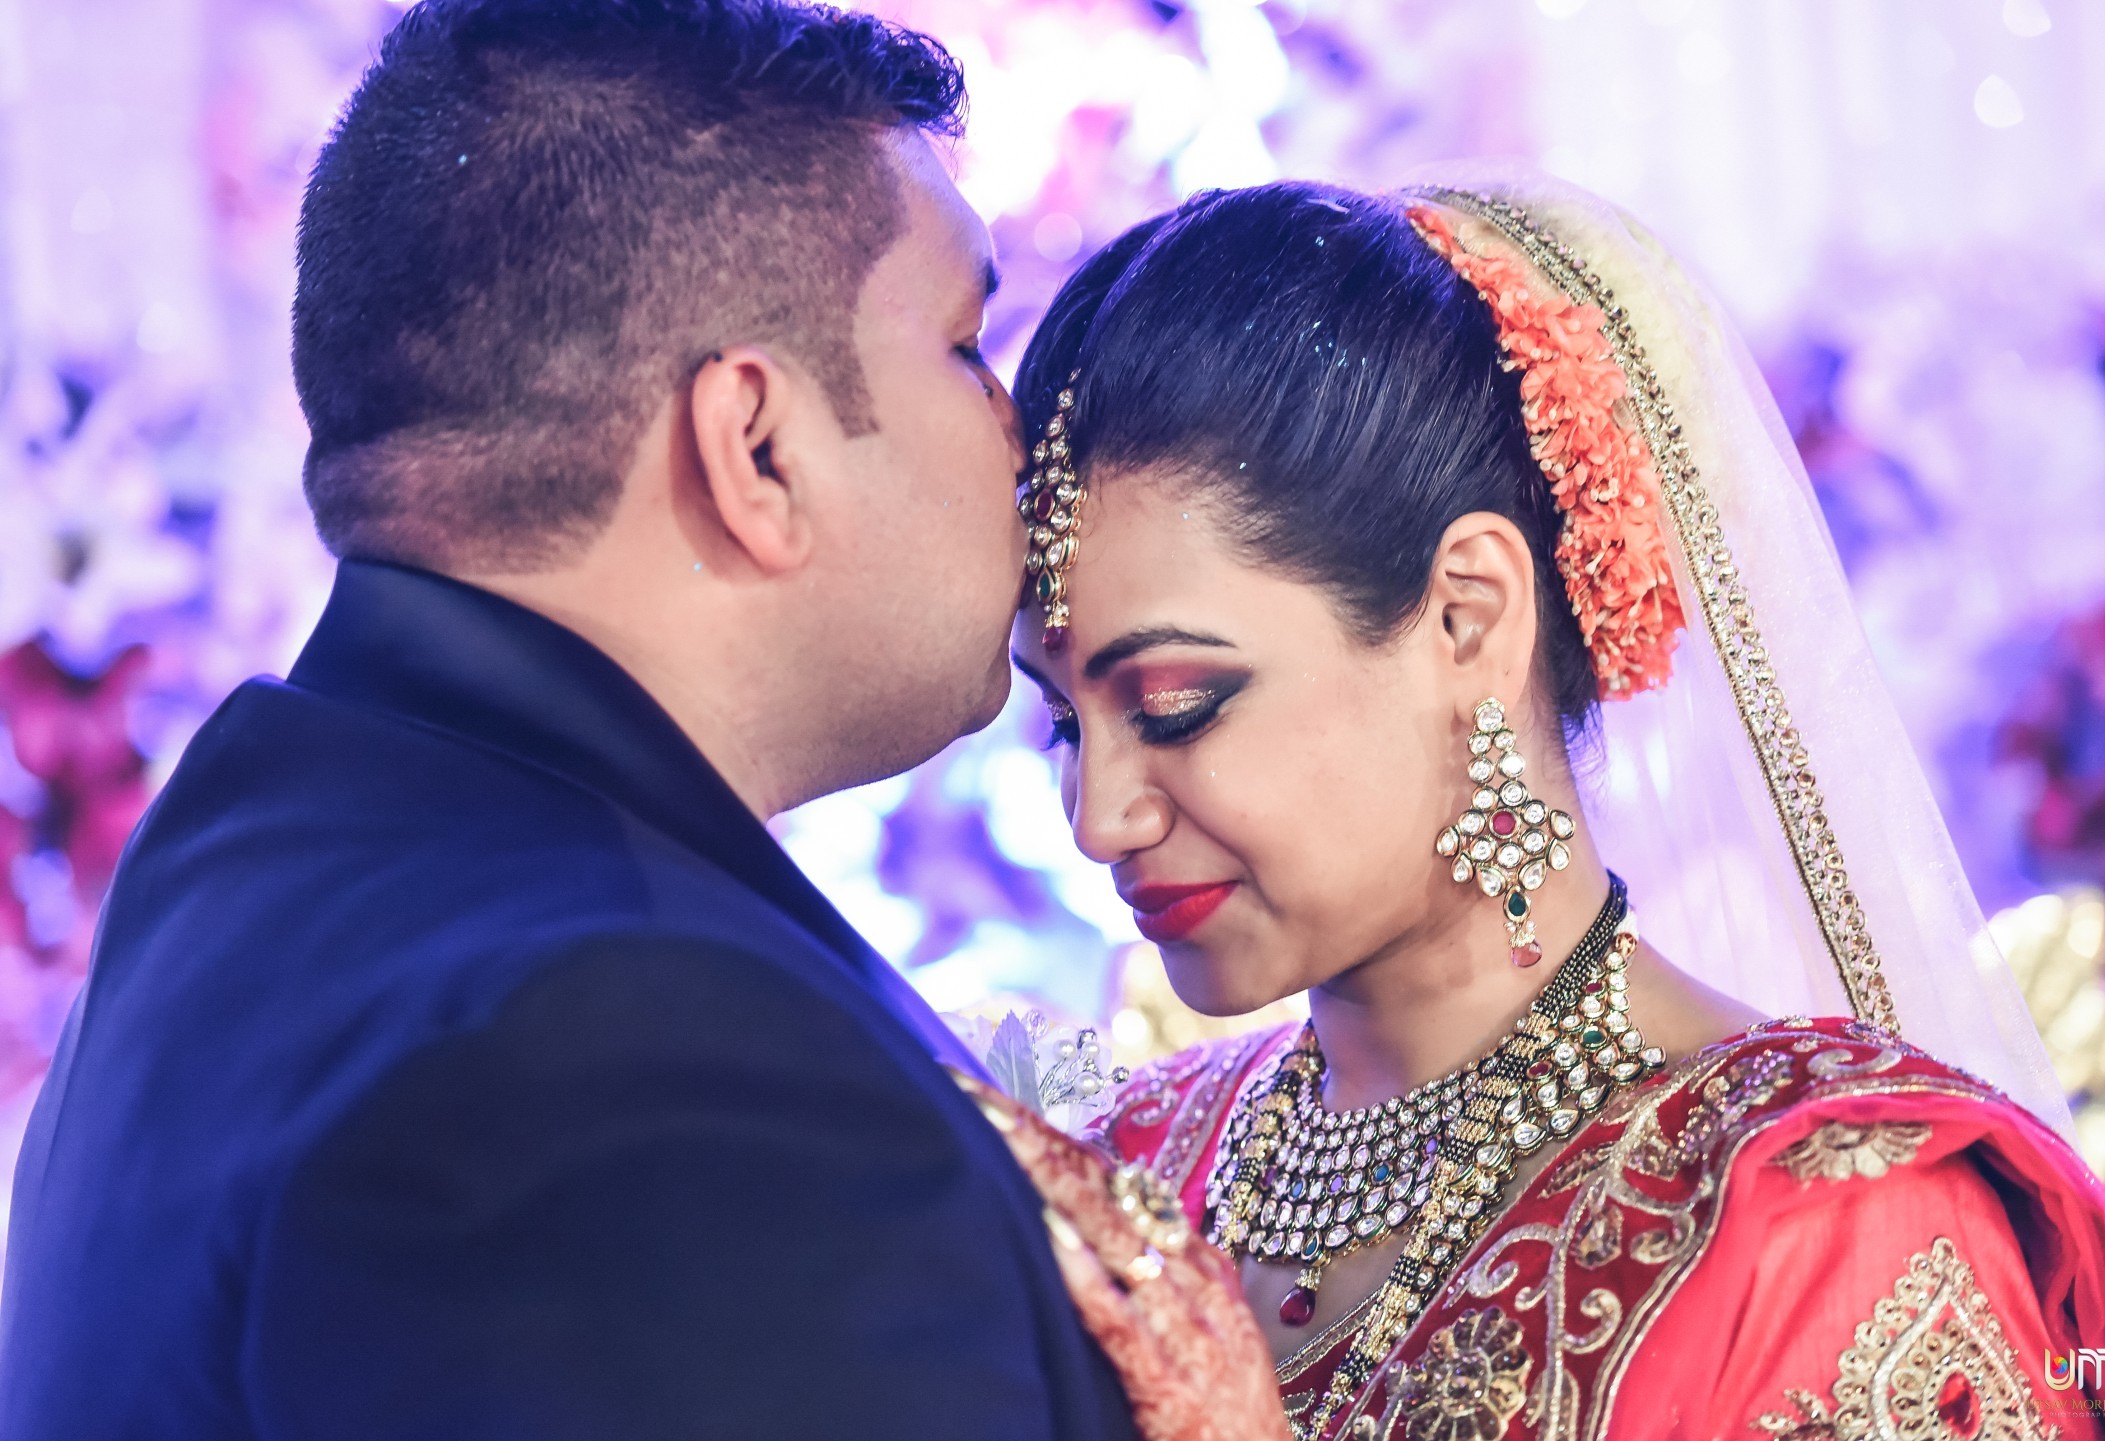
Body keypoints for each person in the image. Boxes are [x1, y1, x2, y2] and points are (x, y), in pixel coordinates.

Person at [0, 3, 1283, 1437]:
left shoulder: (242, 877)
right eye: (968, 344)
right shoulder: (655, 1074)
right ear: (756, 448)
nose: (1021, 443)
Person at [1008, 172, 2105, 1440]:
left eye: (1175, 706)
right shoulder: (1130, 1167)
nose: (1098, 816)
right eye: (1061, 721)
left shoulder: (1829, 1216)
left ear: (1469, 619)